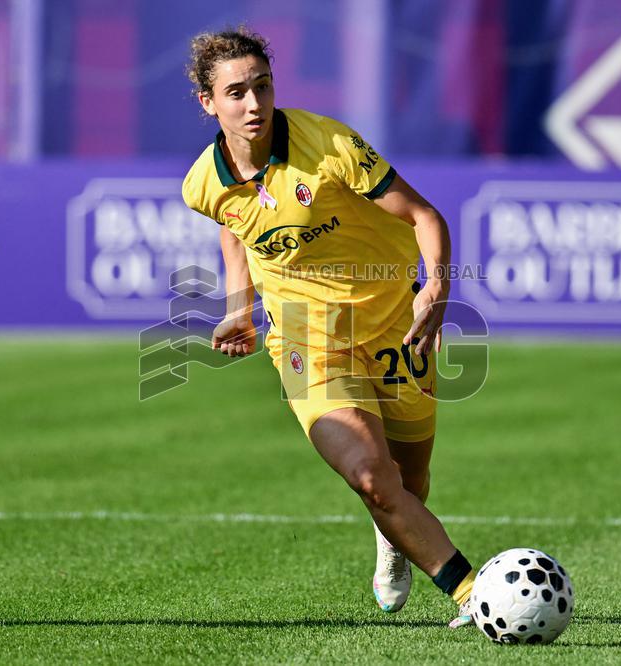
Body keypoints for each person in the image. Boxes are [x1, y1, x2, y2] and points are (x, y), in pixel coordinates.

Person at [181, 27, 475, 628]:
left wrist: (438, 287)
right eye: (236, 92)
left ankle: (392, 535)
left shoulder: (330, 143)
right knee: (372, 475)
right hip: (306, 340)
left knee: (409, 477)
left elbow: (423, 215)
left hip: (395, 321)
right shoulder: (202, 184)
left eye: (262, 86)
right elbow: (233, 227)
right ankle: (475, 595)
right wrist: (239, 306)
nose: (254, 104)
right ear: (208, 102)